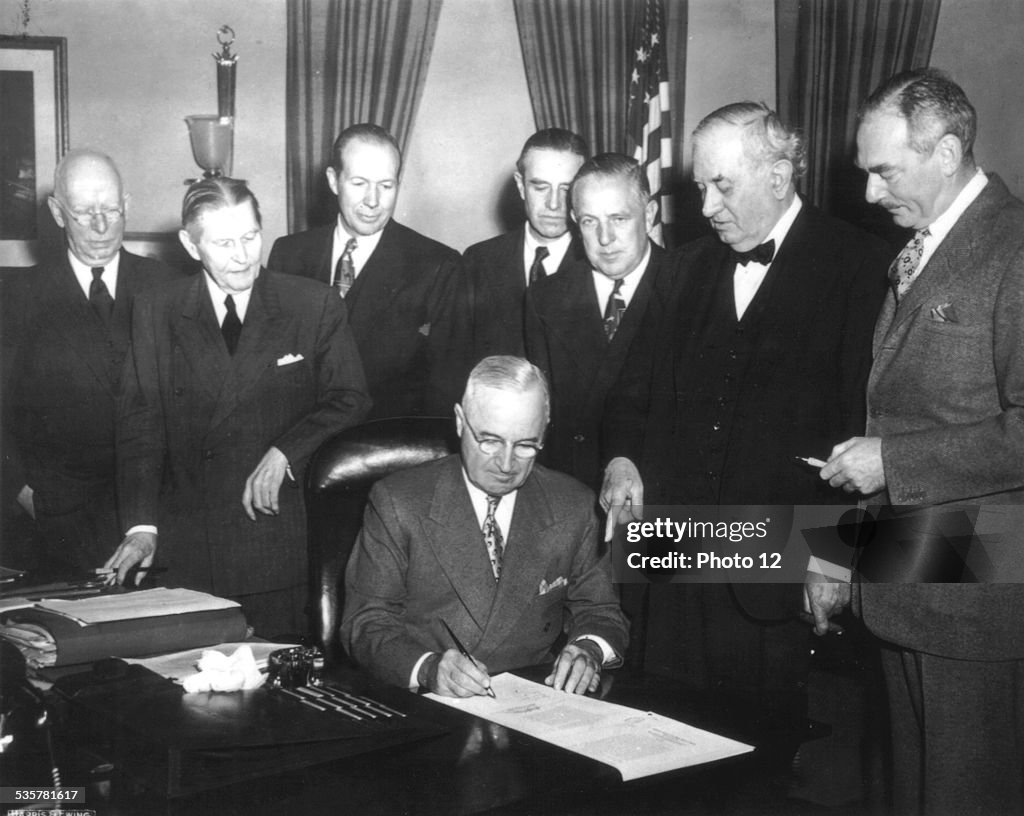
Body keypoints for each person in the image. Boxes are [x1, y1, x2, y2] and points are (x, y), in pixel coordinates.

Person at [601, 103, 888, 722]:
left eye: (721, 186)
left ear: (780, 177)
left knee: (761, 766)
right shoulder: (680, 268)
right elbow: (630, 390)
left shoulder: (859, 267)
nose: (704, 206)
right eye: (700, 186)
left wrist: (832, 561)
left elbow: (862, 430)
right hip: (672, 567)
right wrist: (623, 459)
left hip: (775, 575)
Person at [810, 69, 1024, 816]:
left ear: (948, 152)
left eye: (883, 172)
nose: (869, 194)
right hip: (906, 586)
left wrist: (891, 463)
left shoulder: (1016, 250)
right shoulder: (926, 246)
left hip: (978, 599)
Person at [107, 178, 370, 635]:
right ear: (191, 244)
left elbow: (350, 397)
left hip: (276, 544)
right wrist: (141, 526)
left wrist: (287, 450)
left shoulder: (311, 304)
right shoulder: (156, 310)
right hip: (192, 547)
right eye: (224, 242)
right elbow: (140, 424)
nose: (243, 255)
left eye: (250, 237)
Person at [341, 356, 628, 697]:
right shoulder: (398, 501)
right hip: (428, 701)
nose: (506, 465)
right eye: (490, 441)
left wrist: (589, 650)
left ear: (545, 428)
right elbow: (366, 623)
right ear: (461, 422)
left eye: (525, 445)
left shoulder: (574, 505)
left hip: (537, 699)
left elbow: (602, 612)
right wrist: (429, 669)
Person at [1, 149, 177, 574]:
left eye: (111, 210)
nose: (100, 227)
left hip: (159, 516)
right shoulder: (16, 298)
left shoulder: (169, 286)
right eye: (83, 213)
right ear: (58, 213)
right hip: (57, 523)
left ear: (127, 206)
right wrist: (22, 491)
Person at [267, 124, 460, 419]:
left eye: (386, 185)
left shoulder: (438, 266)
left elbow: (442, 392)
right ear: (334, 181)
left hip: (383, 448)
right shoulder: (289, 254)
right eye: (359, 183)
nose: (373, 201)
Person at [524, 153, 673, 491]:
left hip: (660, 499)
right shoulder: (544, 298)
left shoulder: (690, 285)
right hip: (572, 495)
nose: (605, 238)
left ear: (649, 215)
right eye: (590, 221)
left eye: (618, 218)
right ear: (575, 220)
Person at [458, 128, 587, 363]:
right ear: (520, 186)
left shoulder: (598, 262)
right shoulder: (478, 261)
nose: (554, 204)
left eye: (567, 189)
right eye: (540, 187)